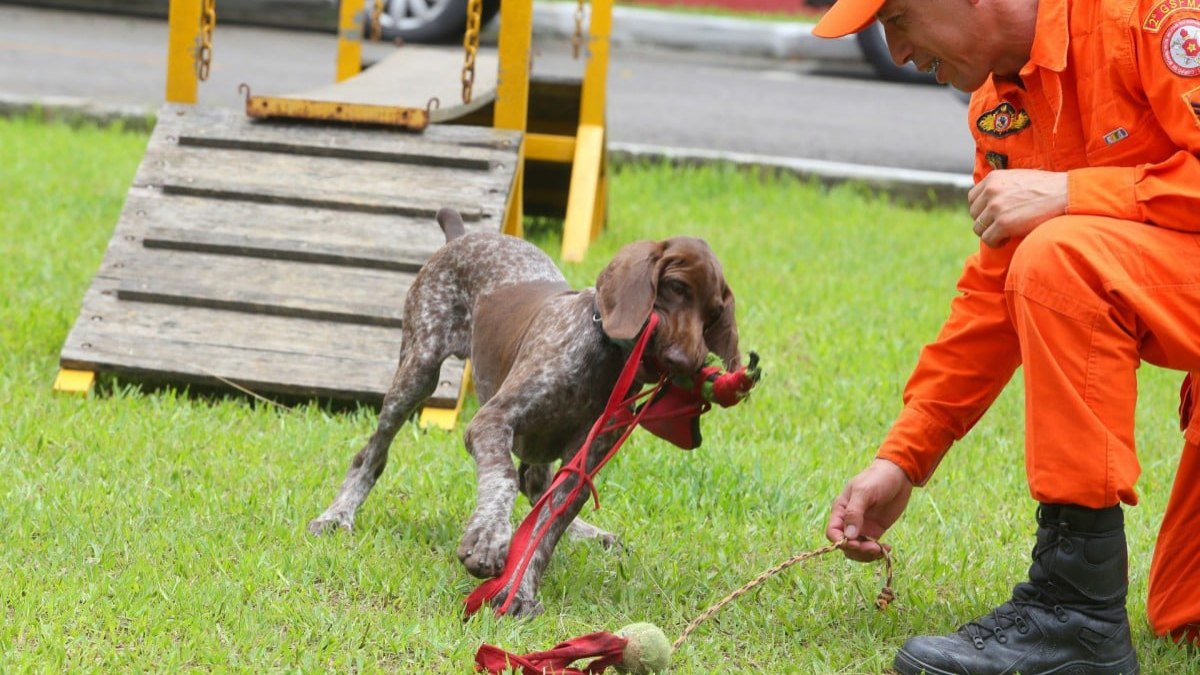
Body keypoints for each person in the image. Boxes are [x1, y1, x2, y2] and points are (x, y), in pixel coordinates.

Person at [811, 0, 1200, 672]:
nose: (897, 53)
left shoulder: (1149, 16)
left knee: (1060, 256)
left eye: (897, 20)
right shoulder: (1000, 107)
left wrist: (1074, 192)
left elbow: (1055, 248)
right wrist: (901, 460)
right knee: (1184, 616)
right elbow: (994, 297)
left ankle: (1075, 614)